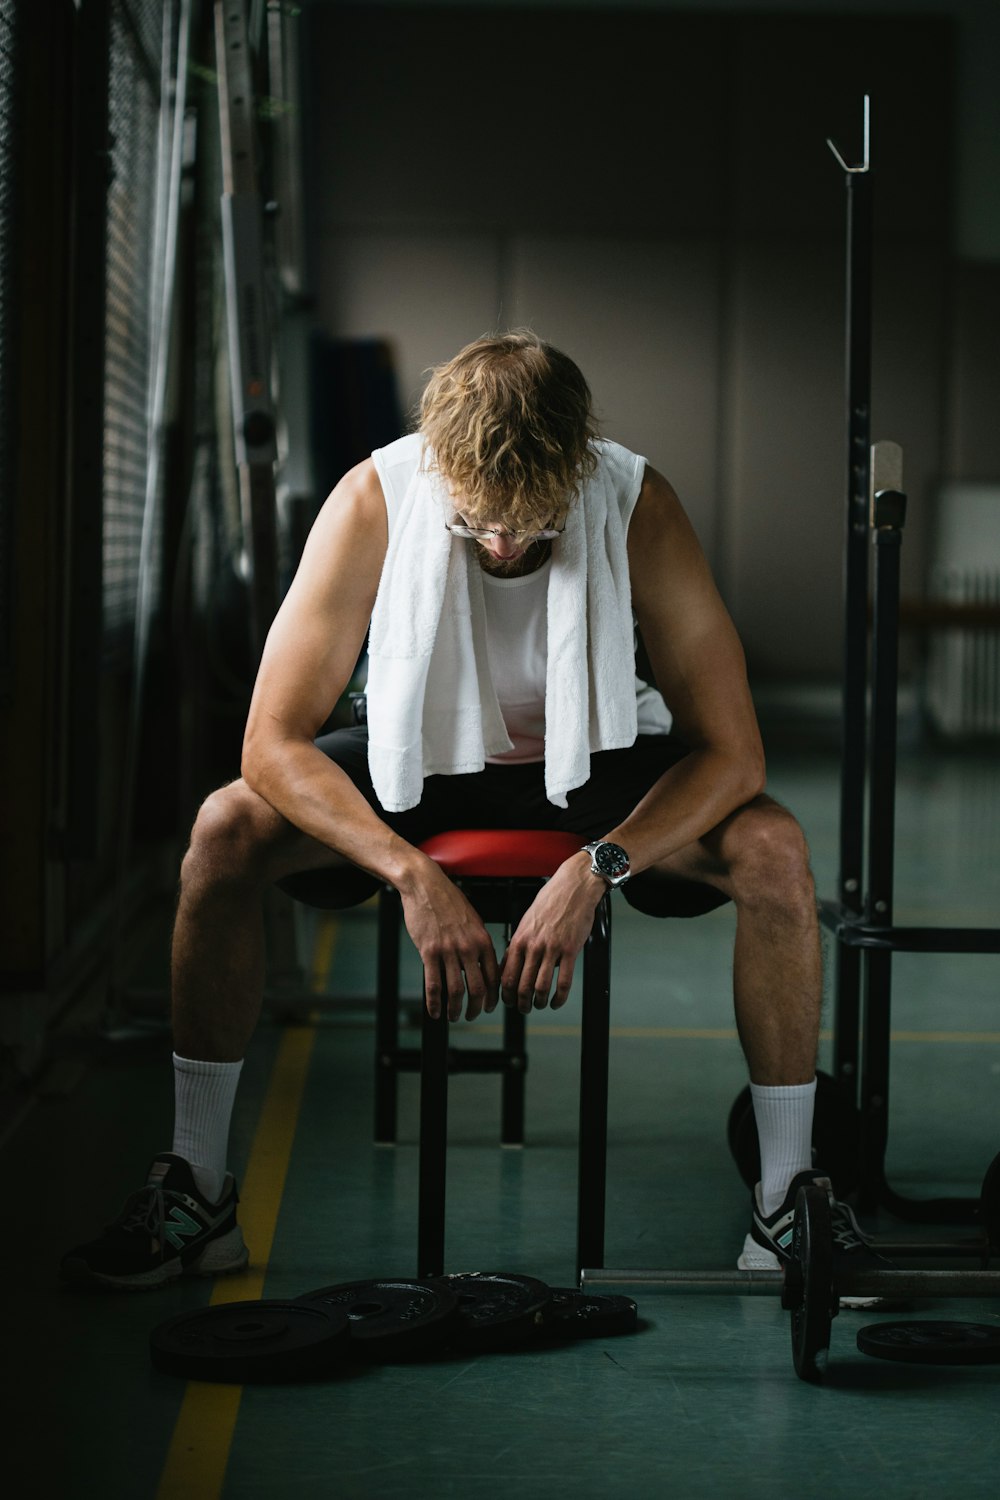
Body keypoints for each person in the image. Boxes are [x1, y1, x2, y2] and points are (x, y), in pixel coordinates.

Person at [62, 330, 871, 1291]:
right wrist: (410, 873)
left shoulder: (635, 501)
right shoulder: (377, 497)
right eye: (478, 525)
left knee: (774, 848)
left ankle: (786, 1198)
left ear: (575, 472)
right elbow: (270, 742)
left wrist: (598, 865)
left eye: (530, 529)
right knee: (223, 830)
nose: (501, 546)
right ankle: (196, 1190)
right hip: (420, 755)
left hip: (596, 757)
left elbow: (734, 753)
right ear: (442, 472)